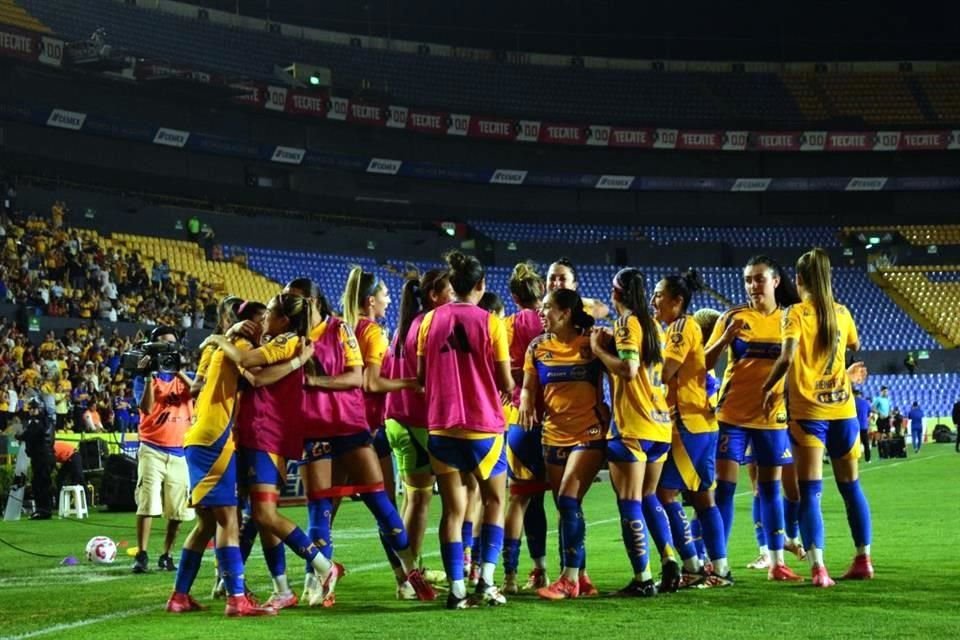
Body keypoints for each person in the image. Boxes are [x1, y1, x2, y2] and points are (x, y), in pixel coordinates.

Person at [203, 293, 338, 606]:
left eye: (269, 314)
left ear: (284, 320)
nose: (263, 320)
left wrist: (218, 340)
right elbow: (254, 375)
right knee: (258, 517)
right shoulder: (277, 340)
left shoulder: (290, 340)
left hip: (268, 434)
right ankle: (280, 589)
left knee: (263, 514)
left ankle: (325, 567)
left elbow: (254, 370)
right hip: (255, 433)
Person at [761, 248, 873, 587]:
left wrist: (768, 387)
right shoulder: (841, 312)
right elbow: (854, 342)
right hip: (843, 410)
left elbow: (787, 357)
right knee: (851, 487)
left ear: (797, 280)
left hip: (809, 413)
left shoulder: (794, 313)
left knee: (810, 491)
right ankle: (863, 559)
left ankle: (819, 568)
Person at [417, 251, 515, 609]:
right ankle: (486, 582)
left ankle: (456, 589)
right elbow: (505, 380)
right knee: (494, 501)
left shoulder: (429, 321)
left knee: (453, 511)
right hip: (483, 427)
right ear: (480, 285)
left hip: (442, 427)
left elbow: (421, 376)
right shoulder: (491, 323)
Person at [166, 300, 276, 617]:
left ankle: (179, 595)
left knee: (205, 525)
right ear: (252, 324)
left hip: (198, 435)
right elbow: (258, 379)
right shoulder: (239, 346)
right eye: (264, 321)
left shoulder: (220, 348)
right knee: (228, 520)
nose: (267, 328)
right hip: (216, 438)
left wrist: (221, 336)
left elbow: (199, 385)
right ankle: (236, 599)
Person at [704, 255, 805, 582]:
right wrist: (723, 336)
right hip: (731, 416)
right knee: (725, 491)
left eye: (758, 278)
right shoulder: (733, 317)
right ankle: (716, 563)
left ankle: (777, 564)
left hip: (772, 418)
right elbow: (703, 363)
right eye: (748, 279)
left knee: (770, 490)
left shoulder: (790, 319)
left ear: (775, 281)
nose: (752, 285)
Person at [339, 268, 432, 600]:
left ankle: (314, 577)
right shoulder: (373, 332)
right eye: (384, 295)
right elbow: (372, 383)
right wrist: (412, 384)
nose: (388, 300)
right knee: (385, 508)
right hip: (365, 429)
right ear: (370, 300)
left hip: (341, 425)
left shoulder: (343, 328)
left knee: (325, 509)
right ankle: (406, 577)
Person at [590, 267, 675, 596]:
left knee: (628, 500)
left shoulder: (627, 323)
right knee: (648, 495)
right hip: (659, 426)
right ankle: (669, 559)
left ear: (616, 294)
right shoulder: (654, 325)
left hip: (632, 426)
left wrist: (599, 351)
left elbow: (629, 369)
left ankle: (642, 579)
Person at [652, 270, 733, 588]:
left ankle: (693, 565)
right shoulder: (680, 328)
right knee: (702, 499)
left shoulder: (679, 329)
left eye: (659, 294)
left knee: (663, 493)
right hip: (697, 424)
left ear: (677, 300)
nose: (654, 299)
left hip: (687, 425)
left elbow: (665, 372)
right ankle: (718, 568)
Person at [525, 289, 607, 600]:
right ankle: (582, 577)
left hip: (589, 433)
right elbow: (528, 388)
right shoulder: (537, 346)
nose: (541, 313)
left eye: (547, 308)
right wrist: (524, 403)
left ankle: (569, 579)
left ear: (565, 313)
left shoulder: (592, 342)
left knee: (569, 500)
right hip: (552, 435)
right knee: (565, 506)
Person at [384, 269, 453, 579]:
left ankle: (407, 572)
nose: (453, 297)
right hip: (419, 419)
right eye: (449, 292)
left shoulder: (404, 326)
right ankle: (411, 576)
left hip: (396, 418)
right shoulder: (429, 324)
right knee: (425, 499)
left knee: (413, 497)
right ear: (434, 296)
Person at [501, 262, 551, 594]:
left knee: (518, 500)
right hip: (558, 419)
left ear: (514, 297)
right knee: (559, 501)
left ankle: (510, 577)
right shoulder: (554, 322)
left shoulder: (506, 326)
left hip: (520, 416)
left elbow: (502, 371)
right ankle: (549, 572)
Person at [132, 326, 196, 574]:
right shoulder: (144, 376)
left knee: (178, 510)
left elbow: (198, 393)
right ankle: (142, 553)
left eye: (170, 343)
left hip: (180, 450)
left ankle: (167, 554)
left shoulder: (184, 375)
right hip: (152, 447)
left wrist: (179, 371)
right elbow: (146, 408)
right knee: (147, 503)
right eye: (161, 344)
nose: (166, 348)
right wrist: (148, 376)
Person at [18, 399, 54, 519]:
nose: (32, 411)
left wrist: (20, 436)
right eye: (31, 409)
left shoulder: (39, 421)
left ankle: (44, 510)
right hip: (41, 456)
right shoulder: (42, 421)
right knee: (38, 483)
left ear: (39, 409)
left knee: (41, 483)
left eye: (34, 409)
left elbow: (32, 434)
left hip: (42, 456)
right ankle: (42, 509)